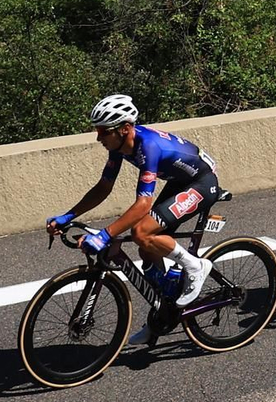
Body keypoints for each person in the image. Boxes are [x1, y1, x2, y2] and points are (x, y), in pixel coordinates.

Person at [46, 94, 223, 307]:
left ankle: (195, 266)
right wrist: (68, 216)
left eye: (104, 131)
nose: (98, 137)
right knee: (146, 249)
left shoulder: (149, 147)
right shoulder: (118, 147)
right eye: (97, 130)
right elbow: (103, 187)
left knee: (141, 233)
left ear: (125, 129)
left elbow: (143, 204)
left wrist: (105, 235)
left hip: (202, 183)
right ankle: (165, 306)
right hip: (180, 181)